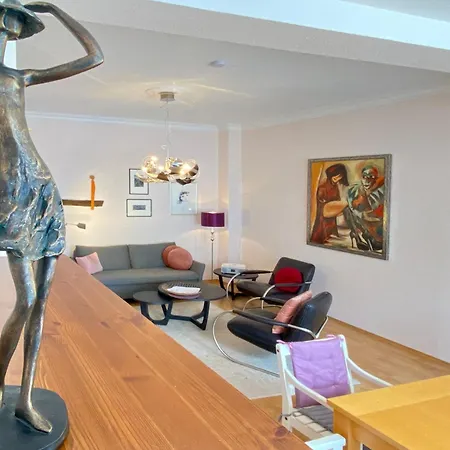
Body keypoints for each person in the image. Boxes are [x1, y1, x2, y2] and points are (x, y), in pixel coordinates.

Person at [0, 0, 103, 433]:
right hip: (8, 192)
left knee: (42, 299)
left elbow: (94, 56)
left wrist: (56, 10)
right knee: (25, 300)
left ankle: (25, 398)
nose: (6, 25)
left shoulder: (18, 76)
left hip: (40, 185)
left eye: (12, 20)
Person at [347, 165, 385, 251]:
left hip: (378, 231)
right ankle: (358, 236)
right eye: (364, 176)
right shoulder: (353, 191)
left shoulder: (381, 192)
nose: (367, 180)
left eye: (371, 177)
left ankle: (367, 238)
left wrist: (369, 191)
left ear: (376, 179)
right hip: (364, 227)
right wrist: (362, 215)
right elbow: (352, 208)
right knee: (347, 209)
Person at [310, 163, 349, 244]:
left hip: (330, 214)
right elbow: (321, 201)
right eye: (336, 175)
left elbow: (337, 198)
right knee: (322, 230)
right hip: (323, 213)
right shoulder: (323, 186)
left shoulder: (335, 186)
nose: (337, 178)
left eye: (340, 176)